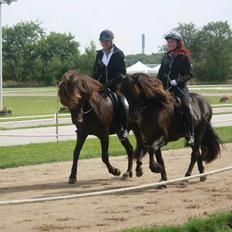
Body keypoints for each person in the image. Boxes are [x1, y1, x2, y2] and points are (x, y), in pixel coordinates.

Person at [157, 31, 195, 146]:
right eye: (168, 42)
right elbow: (160, 74)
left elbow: (189, 74)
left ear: (178, 43)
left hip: (179, 88)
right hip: (165, 88)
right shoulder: (166, 57)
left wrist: (177, 81)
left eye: (171, 41)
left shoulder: (184, 57)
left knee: (185, 106)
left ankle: (191, 134)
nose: (169, 43)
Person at [93, 29, 129, 141]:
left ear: (112, 41)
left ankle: (124, 128)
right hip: (102, 86)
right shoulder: (99, 54)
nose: (104, 43)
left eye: (106, 41)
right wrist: (93, 83)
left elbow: (122, 73)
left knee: (122, 102)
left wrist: (110, 83)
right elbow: (96, 72)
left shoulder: (118, 53)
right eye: (102, 42)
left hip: (116, 86)